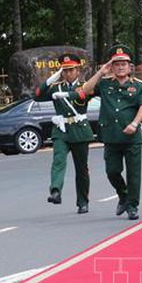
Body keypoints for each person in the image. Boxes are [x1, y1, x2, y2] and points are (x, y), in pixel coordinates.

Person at [82, 44, 142, 220]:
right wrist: (100, 72)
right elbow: (85, 91)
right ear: (111, 66)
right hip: (111, 136)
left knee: (134, 174)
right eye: (116, 64)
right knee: (112, 171)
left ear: (129, 66)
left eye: (124, 63)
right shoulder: (104, 84)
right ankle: (123, 194)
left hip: (131, 136)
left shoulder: (139, 86)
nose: (120, 67)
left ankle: (132, 206)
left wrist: (135, 123)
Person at [34, 54, 93, 214]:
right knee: (58, 160)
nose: (67, 73)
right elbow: (37, 95)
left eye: (71, 70)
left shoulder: (84, 85)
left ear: (77, 70)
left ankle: (82, 202)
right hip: (61, 131)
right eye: (64, 70)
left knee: (81, 169)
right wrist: (50, 79)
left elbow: (84, 95)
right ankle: (55, 191)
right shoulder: (56, 86)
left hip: (80, 130)